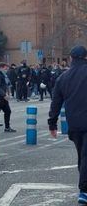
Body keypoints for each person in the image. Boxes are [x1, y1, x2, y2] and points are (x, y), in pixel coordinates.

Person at [48, 45, 87, 204]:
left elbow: (56, 102)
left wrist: (52, 123)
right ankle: (84, 190)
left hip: (75, 124)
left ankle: (84, 187)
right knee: (86, 156)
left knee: (82, 155)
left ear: (70, 58)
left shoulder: (63, 77)